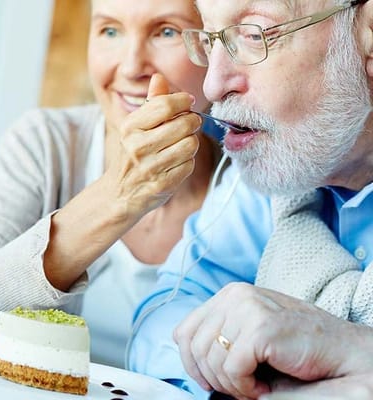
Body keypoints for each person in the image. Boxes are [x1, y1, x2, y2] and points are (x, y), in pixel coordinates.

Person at [129, 0, 373, 398]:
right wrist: (257, 385)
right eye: (210, 39)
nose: (211, 85)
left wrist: (358, 351)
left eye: (254, 33)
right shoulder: (273, 179)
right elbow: (164, 313)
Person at [0, 0, 223, 368]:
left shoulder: (250, 184)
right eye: (109, 30)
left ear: (213, 44)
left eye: (166, 31)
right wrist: (119, 197)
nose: (131, 66)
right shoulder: (44, 145)